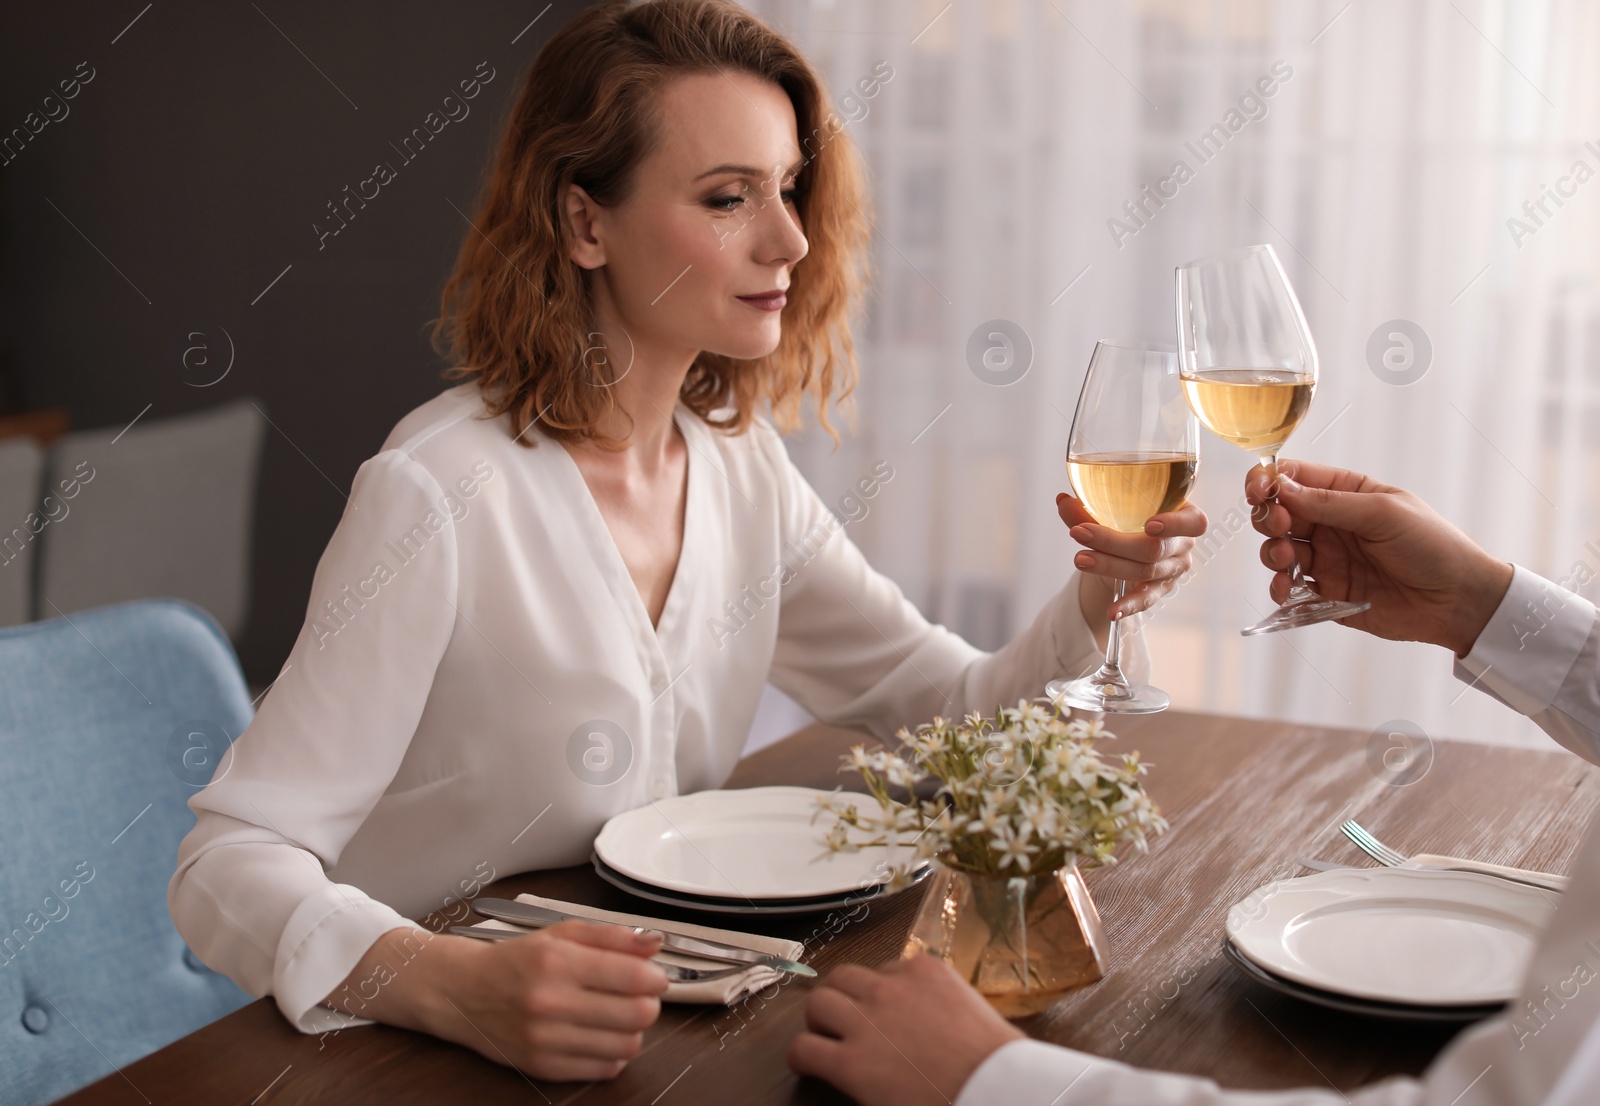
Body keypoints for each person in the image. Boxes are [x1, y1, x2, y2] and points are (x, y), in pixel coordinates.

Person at [166, 0, 1205, 1084]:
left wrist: (1095, 600)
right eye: (727, 198)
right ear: (584, 224)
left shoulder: (737, 462)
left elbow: (950, 713)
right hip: (413, 1058)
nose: (790, 239)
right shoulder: (437, 493)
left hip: (649, 1039)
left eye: (789, 188)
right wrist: (452, 984)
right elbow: (223, 864)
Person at [789, 458, 1600, 1106]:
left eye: (809, 233)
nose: (792, 243)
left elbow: (965, 727)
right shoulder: (750, 464)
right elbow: (962, 726)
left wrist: (996, 1084)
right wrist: (1476, 603)